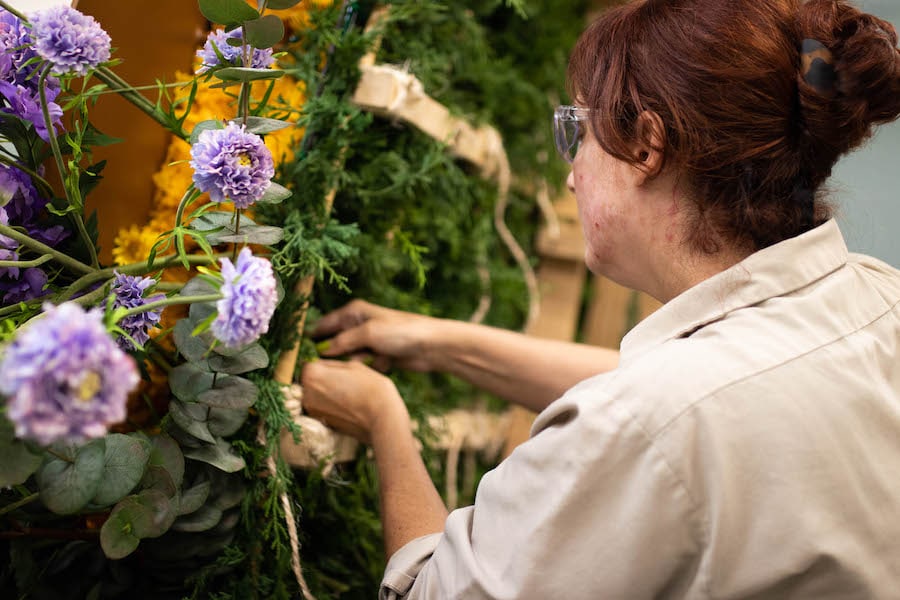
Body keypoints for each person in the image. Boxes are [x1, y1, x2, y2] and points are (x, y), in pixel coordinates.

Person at [301, 0, 900, 597]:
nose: (570, 173)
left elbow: (432, 590)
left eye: (578, 133)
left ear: (645, 146)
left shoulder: (652, 421)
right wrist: (442, 342)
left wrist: (384, 420)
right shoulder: (877, 295)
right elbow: (700, 393)